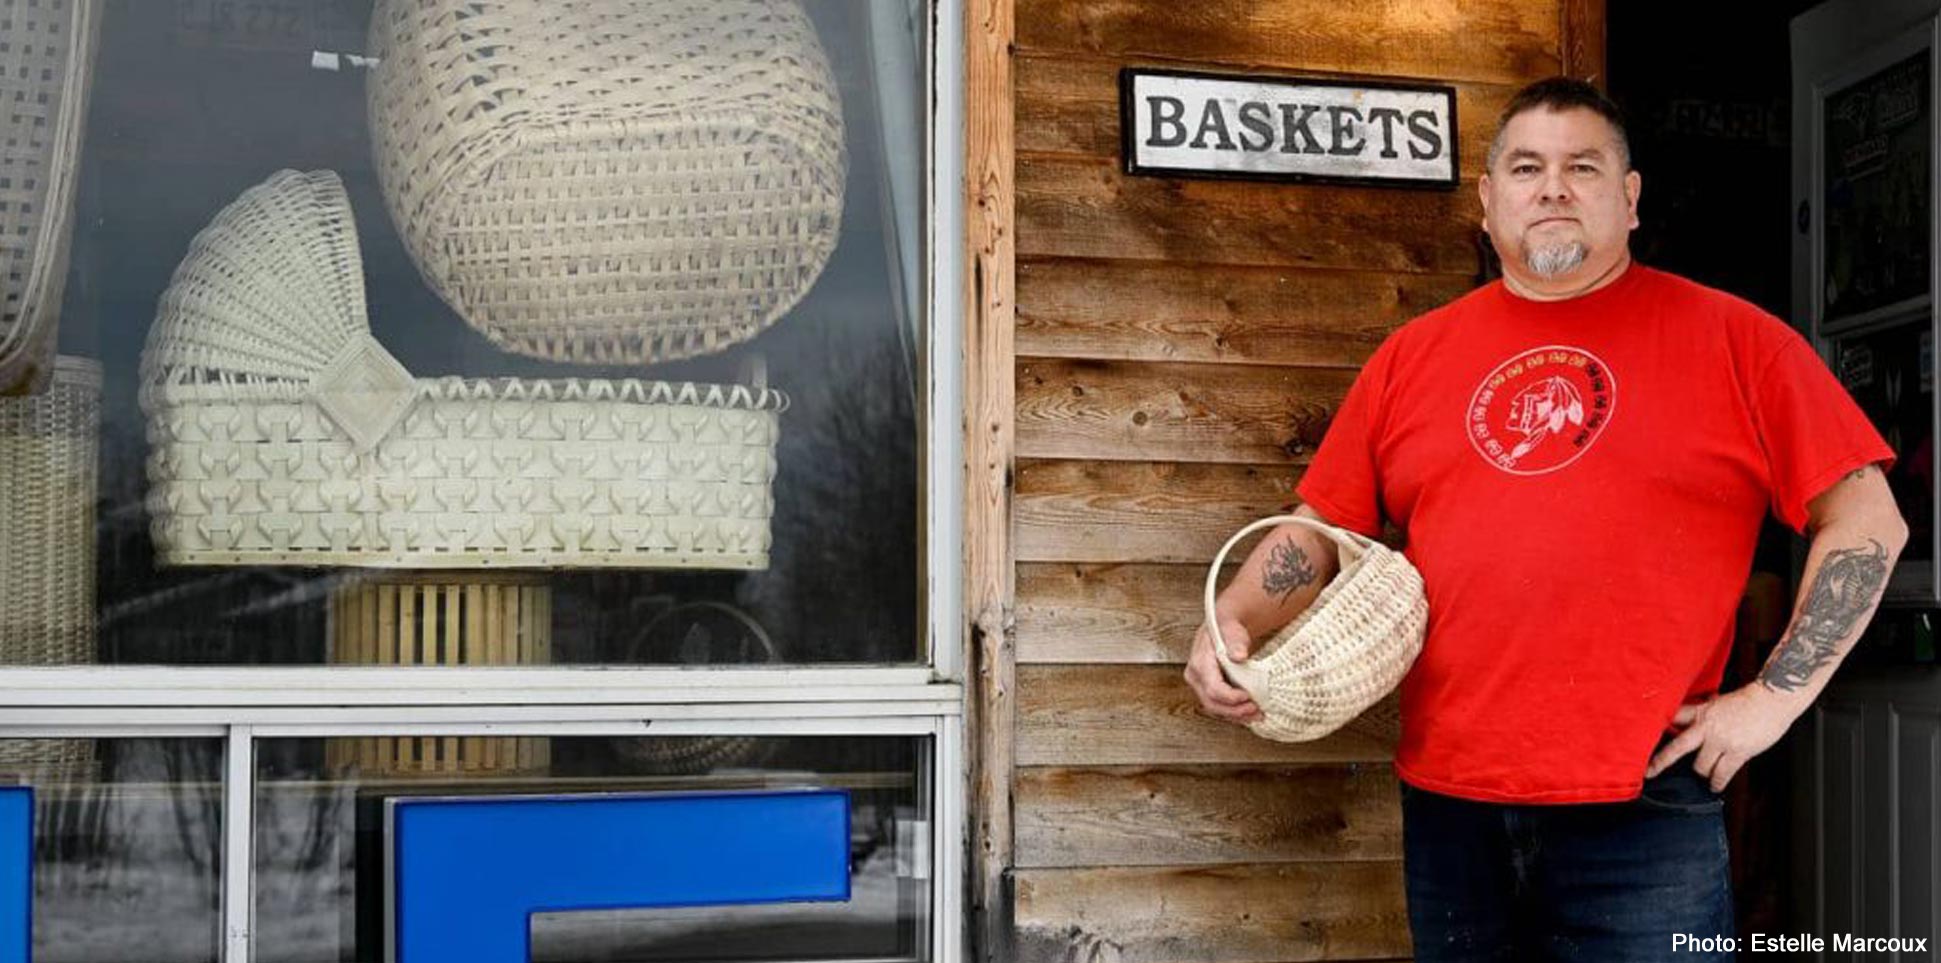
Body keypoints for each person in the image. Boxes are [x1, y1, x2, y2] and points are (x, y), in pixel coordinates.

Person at [1182, 77, 1907, 963]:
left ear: (1628, 199)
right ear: (1487, 201)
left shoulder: (1736, 341)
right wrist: (1233, 618)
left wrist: (1771, 701)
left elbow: (1867, 520)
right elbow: (1318, 529)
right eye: (1526, 168)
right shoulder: (1410, 357)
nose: (1553, 188)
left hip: (1644, 799)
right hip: (1450, 802)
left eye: (1582, 167)